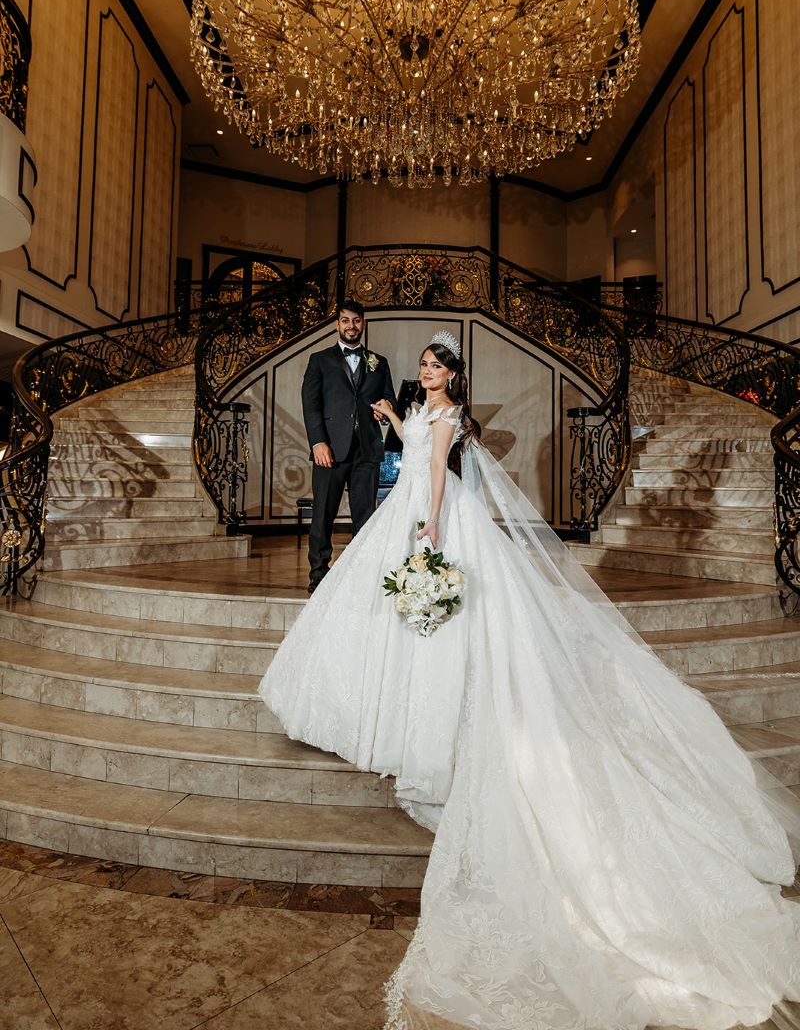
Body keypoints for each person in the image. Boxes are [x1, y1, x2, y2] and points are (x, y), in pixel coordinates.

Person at [261, 329, 800, 1030]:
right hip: (410, 513)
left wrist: (429, 530)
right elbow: (411, 442)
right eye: (422, 365)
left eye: (435, 366)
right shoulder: (421, 409)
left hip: (432, 516)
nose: (425, 372)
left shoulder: (451, 416)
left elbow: (431, 472)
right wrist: (395, 421)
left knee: (442, 622)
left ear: (453, 375)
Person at [300, 299, 396, 593]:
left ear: (363, 323)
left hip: (366, 449)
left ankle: (361, 573)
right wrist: (318, 442)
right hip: (330, 449)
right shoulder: (320, 360)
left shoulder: (379, 362)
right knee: (323, 514)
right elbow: (311, 404)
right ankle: (318, 573)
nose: (351, 326)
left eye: (356, 320)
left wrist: (385, 409)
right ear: (337, 324)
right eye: (345, 320)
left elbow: (389, 397)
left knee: (366, 514)